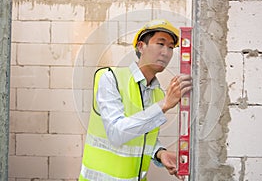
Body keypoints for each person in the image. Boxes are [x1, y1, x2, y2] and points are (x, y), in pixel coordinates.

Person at [79, 19, 192, 181]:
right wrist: (164, 106)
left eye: (170, 47)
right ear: (141, 46)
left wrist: (160, 153)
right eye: (160, 44)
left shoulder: (158, 94)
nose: (166, 52)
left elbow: (141, 135)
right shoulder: (111, 79)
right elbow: (117, 133)